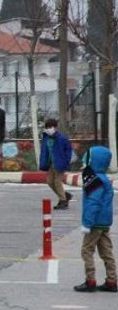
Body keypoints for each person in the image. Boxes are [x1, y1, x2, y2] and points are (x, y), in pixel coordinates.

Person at [74, 146, 117, 293]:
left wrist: (87, 223)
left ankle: (90, 280)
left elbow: (93, 203)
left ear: (94, 161)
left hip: (95, 223)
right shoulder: (104, 179)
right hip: (104, 222)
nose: (85, 161)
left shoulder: (94, 181)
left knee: (87, 250)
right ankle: (111, 281)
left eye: (87, 158)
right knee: (106, 252)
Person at [39, 119, 73, 210]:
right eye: (47, 127)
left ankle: (63, 201)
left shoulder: (62, 138)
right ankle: (65, 195)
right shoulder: (46, 138)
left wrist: (66, 162)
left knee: (57, 182)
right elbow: (44, 152)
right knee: (50, 182)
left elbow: (68, 151)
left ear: (55, 127)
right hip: (50, 164)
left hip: (60, 163)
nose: (49, 129)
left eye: (50, 127)